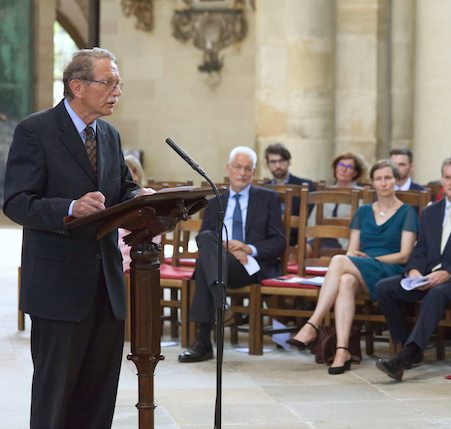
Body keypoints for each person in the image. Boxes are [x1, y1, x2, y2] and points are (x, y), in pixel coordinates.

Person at [3, 48, 152, 428]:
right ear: (77, 86)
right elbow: (17, 202)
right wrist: (68, 207)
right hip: (60, 288)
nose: (117, 91)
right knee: (56, 397)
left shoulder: (110, 135)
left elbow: (122, 189)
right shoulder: (35, 130)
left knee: (99, 396)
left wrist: (141, 199)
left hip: (107, 287)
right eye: (110, 83)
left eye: (119, 83)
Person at [287, 159, 419, 374]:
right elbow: (352, 251)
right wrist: (358, 260)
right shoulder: (363, 211)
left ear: (396, 180)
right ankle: (342, 350)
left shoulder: (407, 212)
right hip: (362, 268)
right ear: (372, 183)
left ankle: (312, 324)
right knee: (346, 281)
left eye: (388, 178)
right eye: (379, 179)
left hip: (389, 270)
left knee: (339, 261)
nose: (384, 183)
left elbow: (405, 255)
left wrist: (372, 260)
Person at [374, 155, 451, 381]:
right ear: (441, 179)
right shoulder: (431, 211)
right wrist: (414, 271)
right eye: (448, 177)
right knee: (383, 288)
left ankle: (407, 356)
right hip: (428, 276)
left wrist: (448, 273)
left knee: (437, 293)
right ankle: (406, 342)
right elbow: (420, 249)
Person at [179, 146, 286, 363]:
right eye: (238, 167)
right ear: (228, 169)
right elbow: (204, 237)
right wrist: (226, 246)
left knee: (205, 263)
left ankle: (203, 341)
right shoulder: (216, 198)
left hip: (249, 265)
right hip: (220, 260)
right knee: (208, 241)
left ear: (253, 172)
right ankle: (221, 301)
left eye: (247, 169)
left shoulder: (267, 198)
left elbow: (279, 242)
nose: (242, 173)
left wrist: (248, 248)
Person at [307, 152, 365, 250]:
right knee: (302, 249)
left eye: (349, 167)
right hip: (322, 236)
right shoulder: (326, 191)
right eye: (341, 165)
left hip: (346, 239)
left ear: (356, 173)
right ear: (335, 168)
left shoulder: (361, 193)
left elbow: (359, 220)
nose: (344, 169)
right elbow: (313, 219)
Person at [264, 142, 316, 244]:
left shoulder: (305, 185)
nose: (278, 166)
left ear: (289, 162)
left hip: (296, 237)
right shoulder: (264, 188)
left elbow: (309, 216)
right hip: (268, 237)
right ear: (267, 164)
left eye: (281, 161)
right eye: (273, 162)